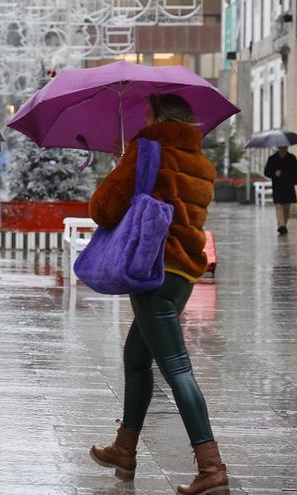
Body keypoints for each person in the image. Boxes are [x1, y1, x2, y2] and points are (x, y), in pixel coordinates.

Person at [88, 94, 228, 495]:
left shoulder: (147, 148)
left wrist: (123, 168)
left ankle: (211, 467)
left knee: (176, 368)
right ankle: (124, 449)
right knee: (136, 357)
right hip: (182, 274)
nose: (142, 118)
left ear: (158, 117)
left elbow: (103, 209)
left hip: (152, 268)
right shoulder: (202, 162)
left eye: (146, 113)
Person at [263, 146, 297, 235]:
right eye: (281, 147)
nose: (283, 149)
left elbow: (296, 172)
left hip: (288, 186)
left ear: (287, 148)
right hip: (278, 186)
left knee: (286, 207)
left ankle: (283, 225)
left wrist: (289, 176)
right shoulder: (272, 159)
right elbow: (266, 172)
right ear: (278, 148)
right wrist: (274, 173)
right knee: (279, 206)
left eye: (284, 147)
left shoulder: (292, 158)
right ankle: (281, 225)